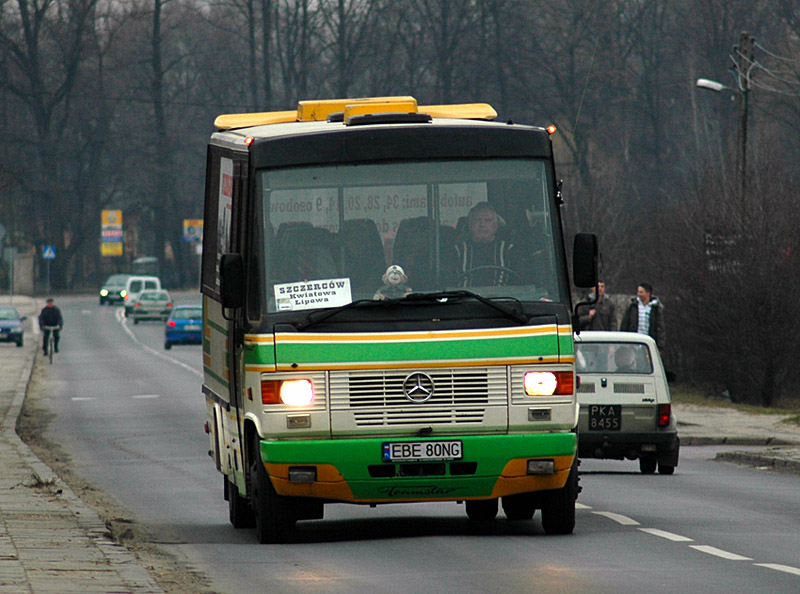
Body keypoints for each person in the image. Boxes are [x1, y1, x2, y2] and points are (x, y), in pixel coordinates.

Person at [454, 202, 514, 286]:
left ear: (495, 225)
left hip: (502, 298)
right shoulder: (458, 250)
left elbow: (520, 285)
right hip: (465, 298)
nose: (482, 225)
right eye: (478, 220)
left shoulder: (508, 250)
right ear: (470, 224)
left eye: (488, 220)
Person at [619, 283, 665, 350]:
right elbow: (625, 324)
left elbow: (660, 328)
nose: (638, 294)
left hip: (649, 344)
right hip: (633, 343)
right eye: (638, 292)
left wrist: (660, 345)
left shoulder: (656, 308)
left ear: (648, 293)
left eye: (641, 292)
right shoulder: (633, 306)